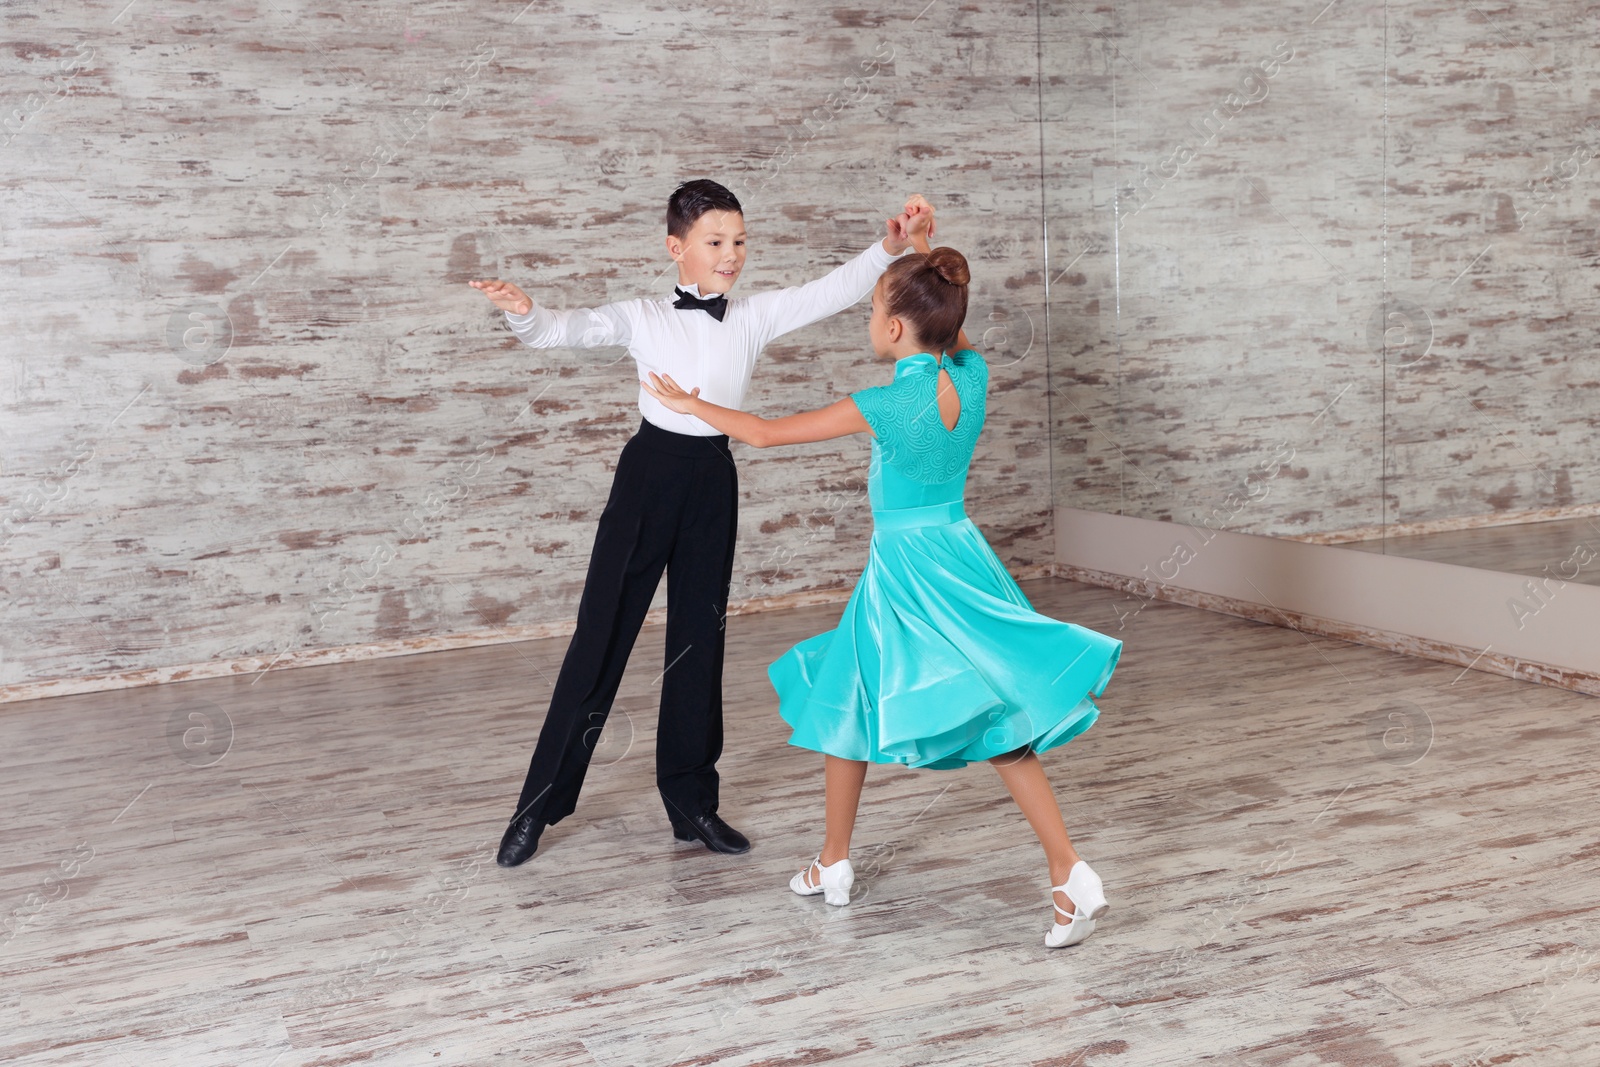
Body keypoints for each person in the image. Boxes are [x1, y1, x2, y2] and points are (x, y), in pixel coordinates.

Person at [640, 211, 1123, 947]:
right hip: (959, 550)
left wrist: (689, 404)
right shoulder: (972, 373)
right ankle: (839, 859)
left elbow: (766, 431)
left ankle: (1065, 867)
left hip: (909, 569)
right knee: (866, 691)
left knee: (964, 714)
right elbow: (946, 319)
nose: (868, 320)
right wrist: (925, 253)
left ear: (896, 330)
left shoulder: (888, 403)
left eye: (873, 311)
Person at [469, 180, 928, 868]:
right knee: (601, 636)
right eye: (716, 242)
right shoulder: (645, 315)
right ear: (675, 248)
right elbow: (564, 329)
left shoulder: (752, 316)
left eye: (739, 241)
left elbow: (828, 291)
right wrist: (525, 310)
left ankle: (692, 804)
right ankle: (536, 809)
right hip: (648, 476)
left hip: (713, 476)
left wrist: (889, 246)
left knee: (698, 642)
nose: (731, 254)